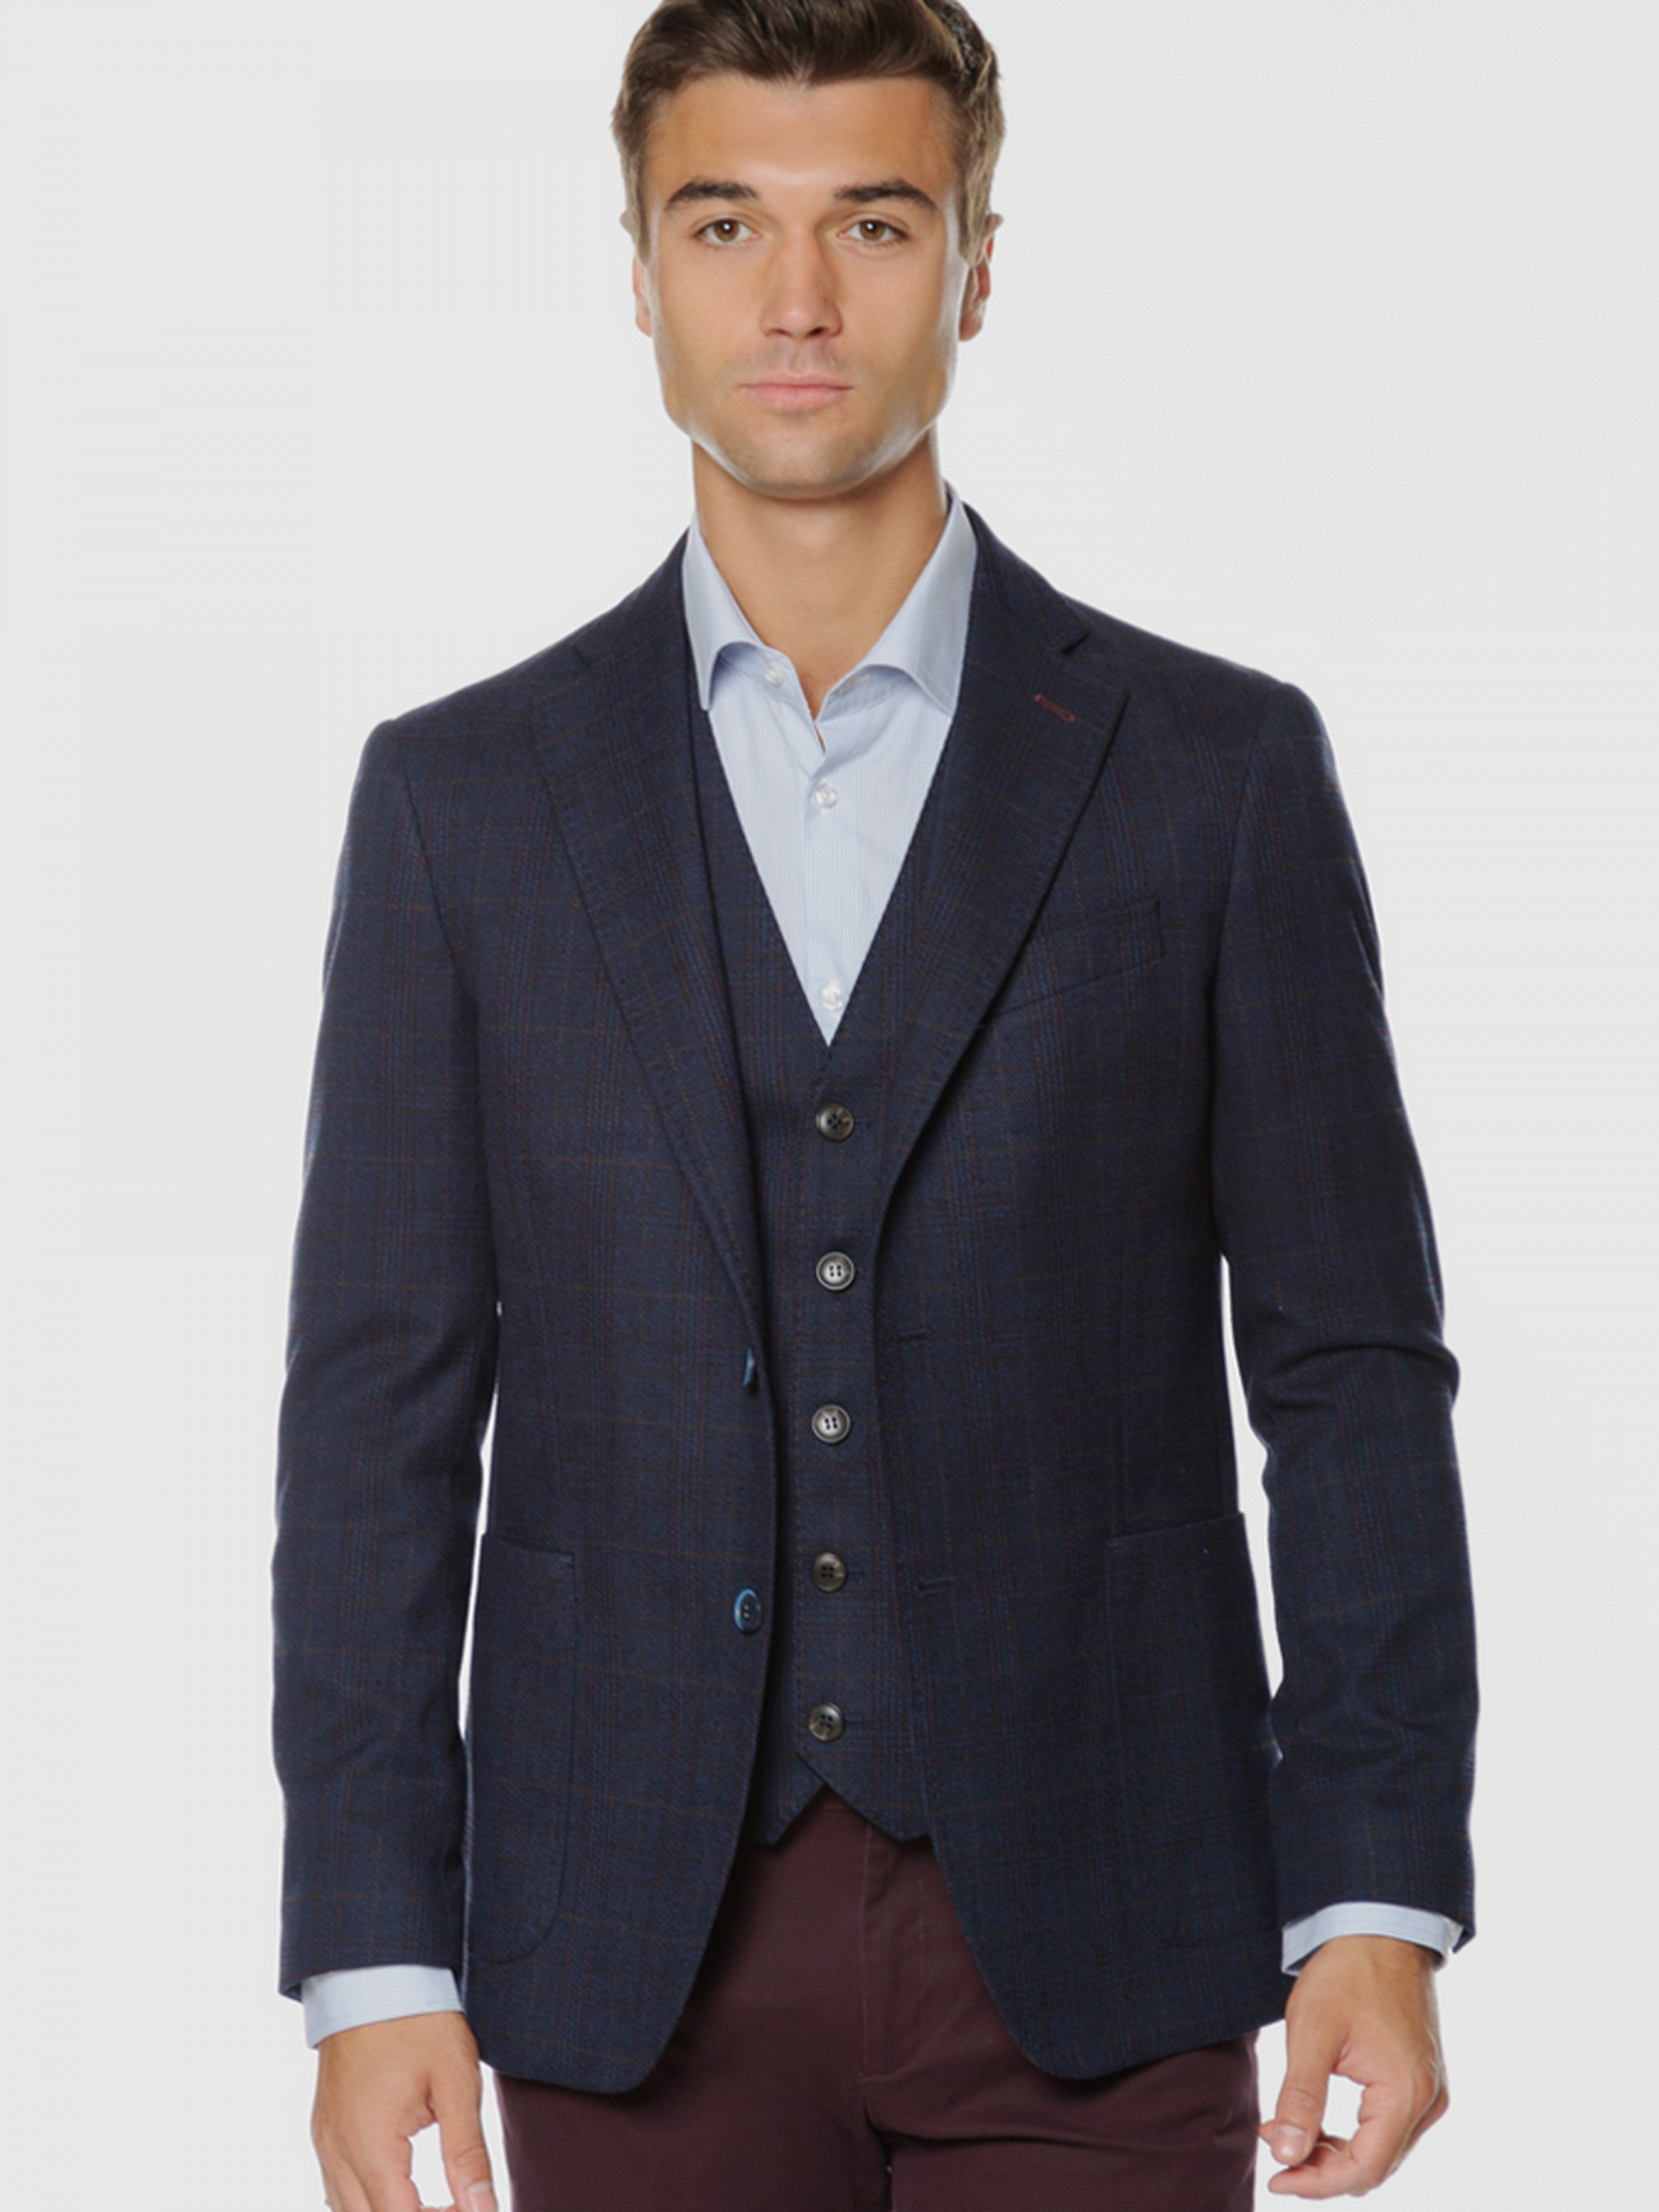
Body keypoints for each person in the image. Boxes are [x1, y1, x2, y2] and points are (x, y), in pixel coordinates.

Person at [272, 4, 1477, 2206]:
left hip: (1110, 1916)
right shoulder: (463, 802)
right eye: (726, 224)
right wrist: (371, 1952)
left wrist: (1373, 1903)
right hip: (620, 1938)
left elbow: (1350, 1374)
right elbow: (377, 1415)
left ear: (978, 266)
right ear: (642, 272)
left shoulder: (1213, 775)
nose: (800, 300)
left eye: (877, 224)